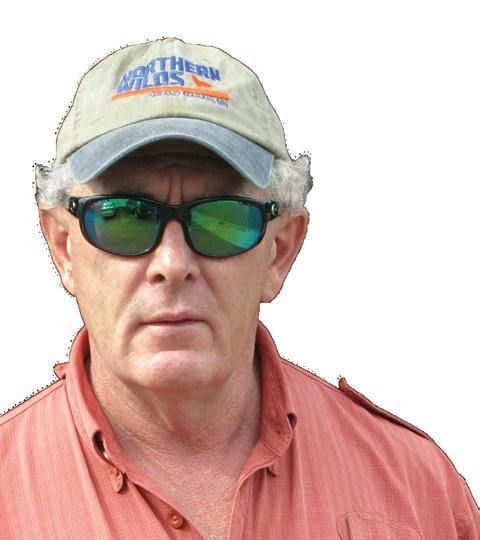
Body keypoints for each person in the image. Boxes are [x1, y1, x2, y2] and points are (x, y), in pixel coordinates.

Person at [0, 37, 478, 540]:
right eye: (124, 218)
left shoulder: (416, 490)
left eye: (222, 220)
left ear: (280, 251)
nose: (172, 264)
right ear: (63, 247)